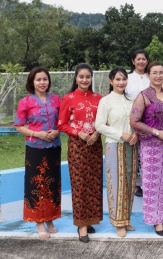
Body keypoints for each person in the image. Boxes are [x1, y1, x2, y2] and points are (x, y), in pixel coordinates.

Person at [130, 61, 163, 237]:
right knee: (152, 184)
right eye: (154, 73)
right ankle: (155, 220)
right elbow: (134, 121)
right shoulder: (143, 96)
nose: (158, 76)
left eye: (161, 73)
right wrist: (156, 132)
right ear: (149, 75)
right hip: (151, 146)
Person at [14, 67, 61, 239]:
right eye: (38, 79)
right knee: (36, 185)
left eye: (45, 79)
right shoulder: (25, 102)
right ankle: (39, 222)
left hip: (54, 147)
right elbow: (19, 126)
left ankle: (50, 218)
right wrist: (37, 134)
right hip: (35, 148)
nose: (42, 83)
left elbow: (62, 121)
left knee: (52, 184)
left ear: (49, 81)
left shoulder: (56, 99)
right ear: (32, 82)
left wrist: (57, 131)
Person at [58, 63, 103, 243]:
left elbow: (103, 121)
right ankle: (81, 225)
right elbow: (61, 124)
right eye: (81, 76)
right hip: (77, 146)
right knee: (79, 184)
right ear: (76, 78)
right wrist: (80, 133)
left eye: (88, 76)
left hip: (95, 145)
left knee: (94, 184)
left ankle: (91, 219)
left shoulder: (99, 98)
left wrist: (97, 133)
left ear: (92, 78)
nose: (84, 80)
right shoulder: (68, 98)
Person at [95, 67, 138, 238]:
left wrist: (135, 134)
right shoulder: (105, 101)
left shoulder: (132, 100)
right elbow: (99, 125)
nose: (121, 82)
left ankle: (126, 220)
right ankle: (117, 222)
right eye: (118, 79)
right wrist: (122, 135)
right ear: (110, 81)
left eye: (124, 79)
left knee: (129, 183)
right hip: (115, 145)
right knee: (117, 184)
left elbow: (137, 120)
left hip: (132, 146)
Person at [126, 49, 150, 198]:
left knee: (146, 153)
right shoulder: (127, 78)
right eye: (138, 59)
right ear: (133, 61)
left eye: (144, 59)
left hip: (149, 121)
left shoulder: (151, 77)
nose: (141, 61)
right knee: (133, 153)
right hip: (131, 121)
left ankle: (147, 183)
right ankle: (135, 185)